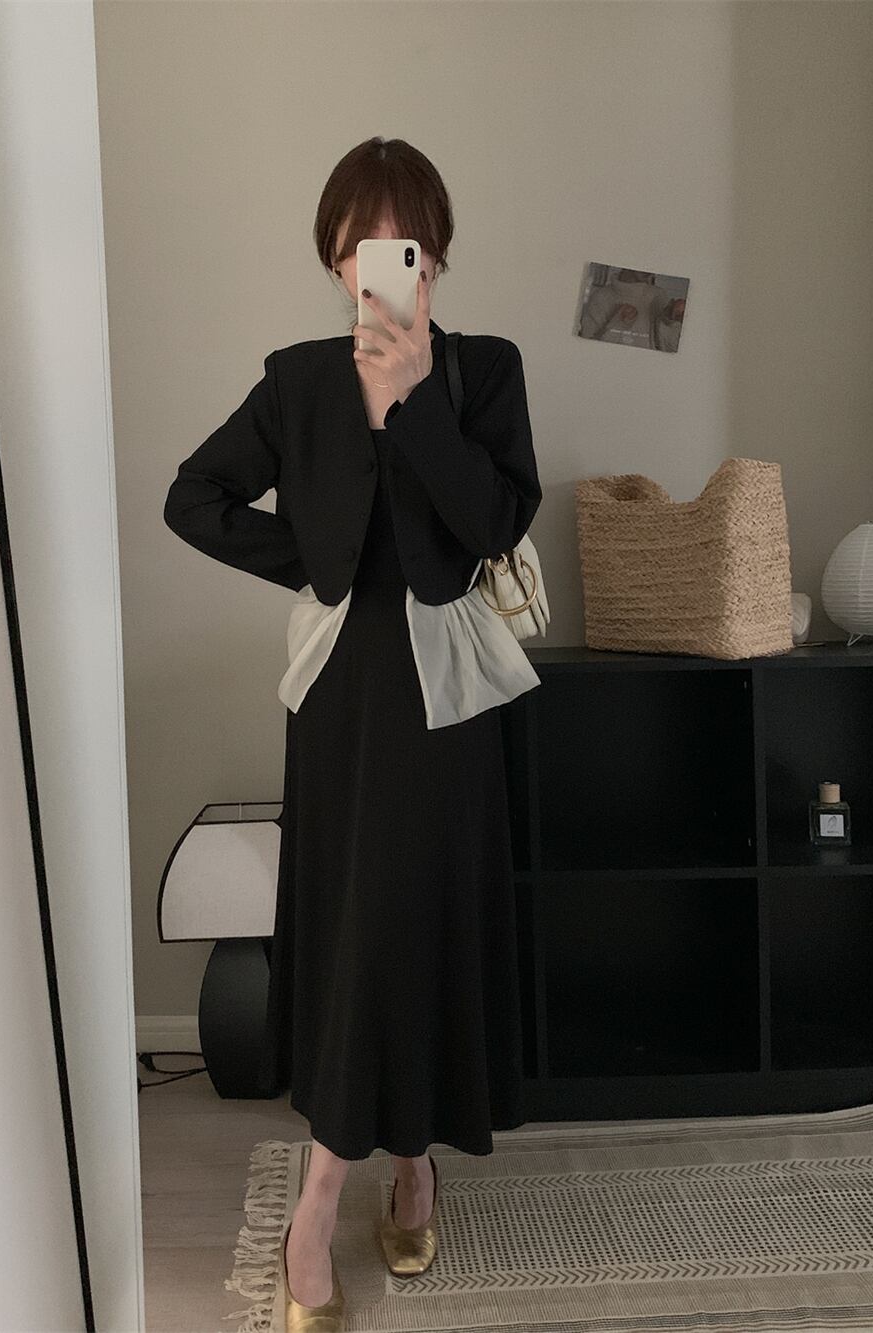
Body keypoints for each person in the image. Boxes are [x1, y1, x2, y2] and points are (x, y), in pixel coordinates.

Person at [163, 137, 543, 1331]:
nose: (380, 260)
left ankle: (407, 1165)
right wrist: (319, 564)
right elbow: (193, 498)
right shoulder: (296, 381)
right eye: (359, 241)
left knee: (422, 923)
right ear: (334, 257)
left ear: (434, 255)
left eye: (403, 240)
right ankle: (334, 1194)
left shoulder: (483, 370)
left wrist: (415, 402)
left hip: (449, 698)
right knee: (355, 930)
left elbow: (492, 520)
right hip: (342, 695)